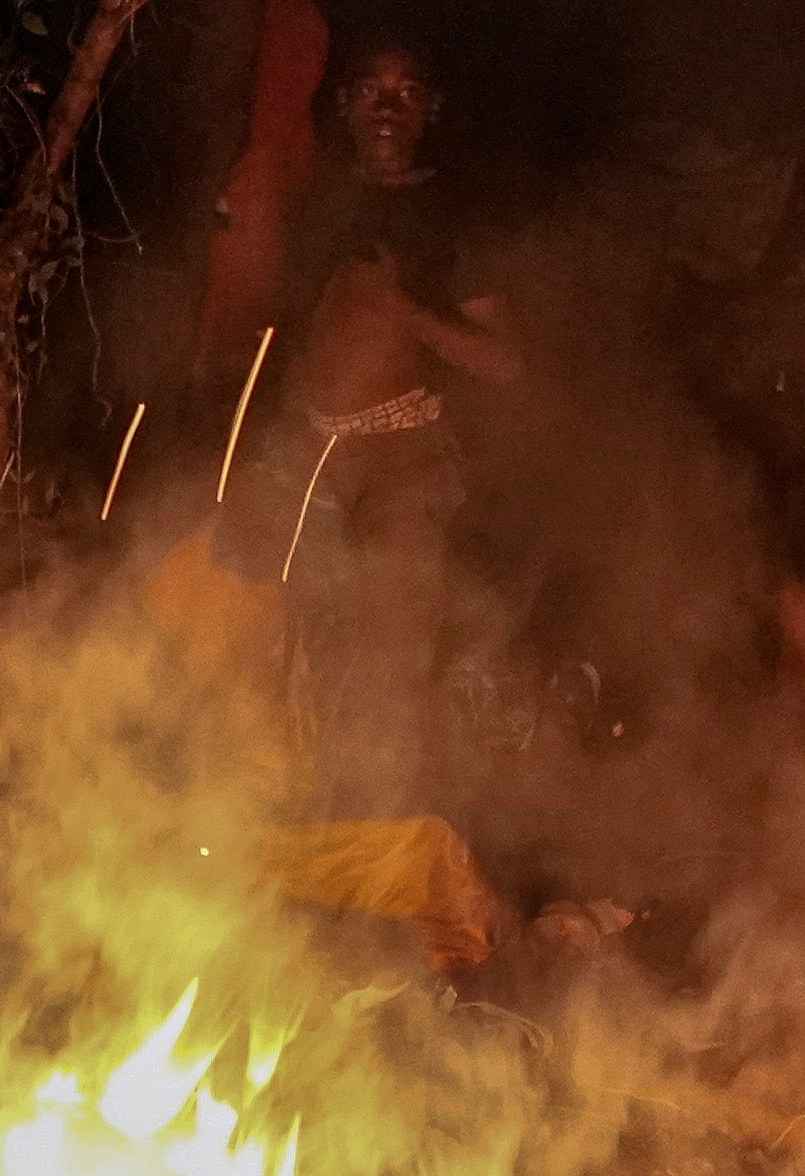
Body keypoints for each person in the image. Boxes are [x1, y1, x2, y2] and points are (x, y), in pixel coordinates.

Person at [250, 36, 522, 776]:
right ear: (343, 106)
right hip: (310, 462)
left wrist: (403, 308)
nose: (387, 108)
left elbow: (504, 363)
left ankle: (394, 824)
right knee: (298, 658)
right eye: (371, 91)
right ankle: (312, 828)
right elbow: (286, 337)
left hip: (405, 464)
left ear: (430, 111)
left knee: (392, 653)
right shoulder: (317, 204)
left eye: (405, 94)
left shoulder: (453, 216)